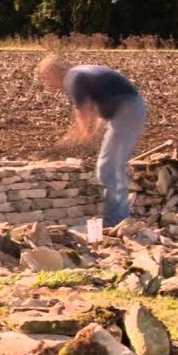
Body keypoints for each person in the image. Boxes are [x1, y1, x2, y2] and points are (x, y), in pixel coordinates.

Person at [37, 54, 147, 227]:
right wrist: (84, 134)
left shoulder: (73, 78)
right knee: (109, 165)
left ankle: (116, 220)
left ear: (53, 73)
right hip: (127, 109)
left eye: (47, 79)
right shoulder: (82, 74)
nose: (49, 84)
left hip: (127, 110)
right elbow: (98, 113)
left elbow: (83, 112)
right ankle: (118, 216)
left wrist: (81, 136)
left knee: (108, 167)